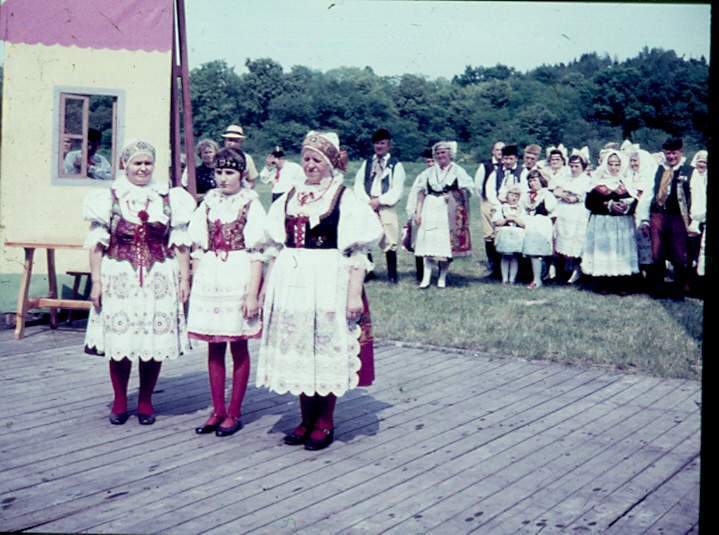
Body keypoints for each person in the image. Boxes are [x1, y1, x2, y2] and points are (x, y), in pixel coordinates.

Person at [257, 131, 383, 451]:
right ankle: (305, 419)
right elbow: (273, 246)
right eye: (307, 159)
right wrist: (266, 287)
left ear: (330, 163)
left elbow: (357, 252)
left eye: (317, 160)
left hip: (329, 279)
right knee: (302, 348)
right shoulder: (290, 196)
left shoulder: (344, 197)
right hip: (293, 282)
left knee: (325, 348)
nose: (311, 165)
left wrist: (353, 294)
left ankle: (324, 421)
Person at [83, 139, 196, 425]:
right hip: (119, 276)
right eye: (137, 163)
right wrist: (96, 282)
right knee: (120, 339)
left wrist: (185, 279)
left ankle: (145, 401)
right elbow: (97, 244)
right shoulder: (110, 197)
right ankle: (120, 401)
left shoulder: (168, 198)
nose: (143, 168)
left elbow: (180, 243)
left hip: (159, 276)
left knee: (152, 342)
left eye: (147, 163)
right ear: (125, 165)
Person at [187, 148, 268, 437]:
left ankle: (234, 411)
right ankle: (217, 410)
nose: (223, 178)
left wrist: (252, 294)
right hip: (211, 276)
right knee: (214, 345)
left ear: (241, 174)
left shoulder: (250, 204)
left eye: (230, 172)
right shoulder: (208, 203)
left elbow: (257, 253)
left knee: (238, 344)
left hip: (238, 274)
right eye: (219, 172)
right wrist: (197, 283)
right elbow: (197, 247)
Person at [636, 138, 696, 298]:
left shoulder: (690, 171)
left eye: (674, 153)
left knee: (678, 253)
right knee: (657, 252)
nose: (671, 157)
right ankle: (657, 288)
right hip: (658, 214)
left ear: (681, 152)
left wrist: (695, 221)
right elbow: (647, 195)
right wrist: (644, 219)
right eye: (668, 153)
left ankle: (679, 289)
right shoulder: (656, 170)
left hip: (678, 217)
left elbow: (697, 197)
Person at [413, 141, 474, 288]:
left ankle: (442, 278)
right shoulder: (428, 172)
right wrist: (418, 212)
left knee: (444, 244)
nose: (441, 156)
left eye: (443, 152)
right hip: (430, 207)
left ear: (450, 154)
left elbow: (469, 190)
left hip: (447, 211)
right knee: (428, 242)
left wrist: (453, 195)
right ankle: (426, 278)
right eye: (438, 153)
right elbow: (420, 192)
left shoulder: (458, 171)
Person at [581, 150, 639, 292]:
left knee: (620, 251)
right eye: (611, 164)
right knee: (605, 251)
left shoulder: (627, 183)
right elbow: (589, 204)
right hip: (603, 223)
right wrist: (608, 205)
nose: (614, 167)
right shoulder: (597, 182)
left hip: (622, 224)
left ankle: (621, 284)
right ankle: (603, 283)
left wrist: (626, 207)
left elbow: (636, 203)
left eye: (617, 164)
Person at [354, 128, 406, 283]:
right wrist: (367, 201)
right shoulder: (367, 163)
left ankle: (392, 275)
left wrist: (380, 201)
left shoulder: (395, 165)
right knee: (365, 238)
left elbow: (397, 189)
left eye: (382, 143)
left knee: (389, 239)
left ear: (389, 145)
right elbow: (358, 184)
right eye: (376, 143)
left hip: (385, 205)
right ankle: (368, 271)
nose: (379, 146)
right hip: (368, 204)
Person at [553, 148, 592, 284]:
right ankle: (564, 270)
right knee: (563, 238)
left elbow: (577, 198)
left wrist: (568, 195)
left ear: (583, 166)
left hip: (578, 213)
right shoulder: (566, 177)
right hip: (564, 212)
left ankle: (577, 269)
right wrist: (564, 194)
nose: (574, 169)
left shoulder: (586, 180)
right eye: (572, 166)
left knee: (576, 240)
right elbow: (556, 190)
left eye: (577, 166)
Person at [624, 146, 659, 286]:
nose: (633, 164)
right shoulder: (629, 175)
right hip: (631, 215)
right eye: (631, 161)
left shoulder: (650, 175)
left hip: (644, 215)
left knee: (647, 247)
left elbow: (644, 196)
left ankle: (650, 279)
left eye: (636, 161)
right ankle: (635, 278)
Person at [521, 170, 558, 289]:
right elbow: (523, 209)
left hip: (543, 224)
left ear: (541, 180)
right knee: (532, 252)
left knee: (538, 251)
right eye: (530, 181)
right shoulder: (527, 195)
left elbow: (551, 210)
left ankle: (540, 278)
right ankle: (535, 278)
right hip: (530, 224)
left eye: (534, 180)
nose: (532, 183)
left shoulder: (546, 195)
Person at [404, 148, 435, 283]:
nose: (430, 164)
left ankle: (439, 273)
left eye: (433, 161)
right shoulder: (422, 176)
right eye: (428, 161)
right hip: (422, 213)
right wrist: (412, 213)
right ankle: (420, 274)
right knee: (419, 243)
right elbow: (414, 195)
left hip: (437, 214)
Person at [475, 141, 505, 278]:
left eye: (502, 150)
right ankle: (493, 265)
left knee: (502, 233)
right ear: (493, 151)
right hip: (488, 202)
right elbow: (478, 185)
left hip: (504, 203)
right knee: (489, 235)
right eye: (497, 150)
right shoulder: (485, 166)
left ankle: (504, 265)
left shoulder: (507, 166)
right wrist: (485, 200)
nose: (500, 152)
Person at [492, 184, 526, 284]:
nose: (514, 198)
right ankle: (504, 278)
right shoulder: (502, 208)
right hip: (505, 235)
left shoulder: (521, 209)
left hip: (516, 235)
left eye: (516, 196)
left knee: (514, 257)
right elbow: (496, 222)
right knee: (505, 256)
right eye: (512, 195)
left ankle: (512, 279)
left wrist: (515, 219)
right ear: (507, 197)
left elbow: (524, 224)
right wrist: (506, 219)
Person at [688, 150, 707, 287]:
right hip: (692, 218)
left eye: (705, 162)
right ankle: (690, 281)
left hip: (704, 217)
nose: (702, 164)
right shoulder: (691, 176)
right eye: (700, 161)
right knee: (691, 250)